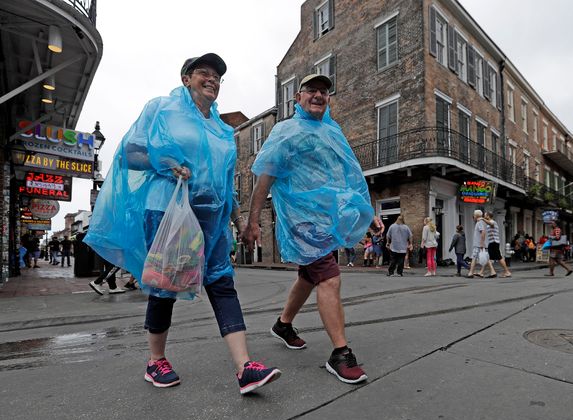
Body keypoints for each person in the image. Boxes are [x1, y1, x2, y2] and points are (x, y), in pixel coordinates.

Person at [84, 53, 281, 393]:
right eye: (203, 73)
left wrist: (241, 223)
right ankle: (155, 360)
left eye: (218, 76)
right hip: (167, 211)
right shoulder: (162, 109)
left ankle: (245, 367)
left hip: (212, 218)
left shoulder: (221, 130)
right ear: (186, 78)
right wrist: (168, 163)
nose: (212, 79)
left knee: (222, 283)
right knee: (166, 285)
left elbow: (226, 182)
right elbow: (130, 153)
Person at [243, 73, 373, 384]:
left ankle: (283, 324)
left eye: (324, 91)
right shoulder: (285, 131)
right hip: (301, 220)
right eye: (311, 90)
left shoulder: (333, 131)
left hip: (327, 220)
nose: (318, 95)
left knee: (308, 274)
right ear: (298, 97)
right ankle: (340, 353)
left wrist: (367, 211)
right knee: (328, 277)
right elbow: (265, 178)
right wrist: (252, 220)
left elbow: (347, 176)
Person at [479, 211, 512, 278]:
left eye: (485, 215)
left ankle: (506, 272)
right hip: (492, 242)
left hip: (494, 242)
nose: (484, 216)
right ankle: (484, 272)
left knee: (497, 257)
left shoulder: (493, 222)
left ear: (488, 216)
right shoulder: (489, 223)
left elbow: (491, 223)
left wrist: (482, 219)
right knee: (489, 257)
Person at [466, 210, 487, 278]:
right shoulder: (480, 222)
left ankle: (471, 273)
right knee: (483, 258)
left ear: (477, 216)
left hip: (478, 244)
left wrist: (481, 243)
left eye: (474, 215)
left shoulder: (479, 222)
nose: (473, 216)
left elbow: (483, 232)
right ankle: (481, 272)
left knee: (474, 258)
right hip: (478, 244)